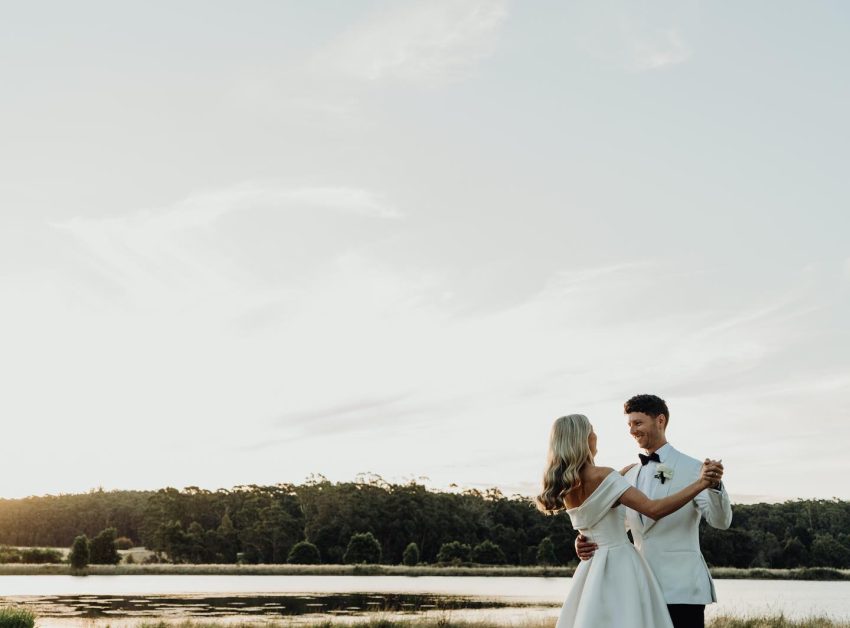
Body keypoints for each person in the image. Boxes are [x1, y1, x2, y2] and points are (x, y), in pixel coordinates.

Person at [537, 413, 723, 628]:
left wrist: (581, 538)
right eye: (592, 430)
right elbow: (653, 509)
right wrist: (701, 484)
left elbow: (594, 519)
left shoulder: (567, 485)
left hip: (591, 570)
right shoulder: (605, 476)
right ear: (584, 439)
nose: (595, 435)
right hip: (621, 565)